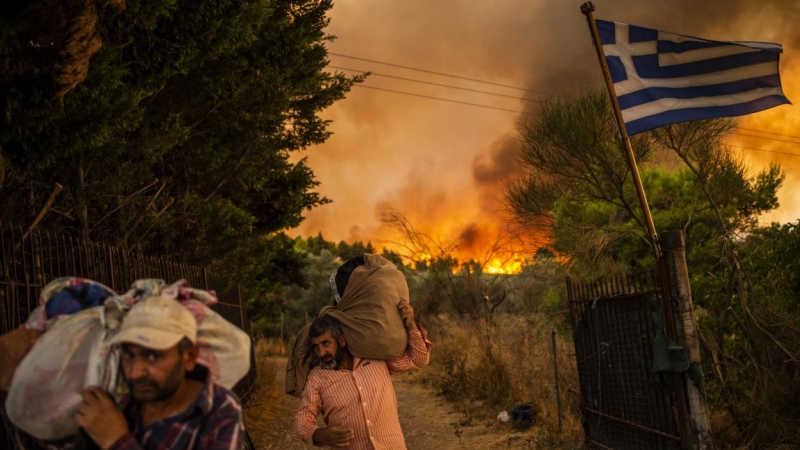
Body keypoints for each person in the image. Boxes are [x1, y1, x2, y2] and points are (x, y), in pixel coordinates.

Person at [0, 296, 246, 450]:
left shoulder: (219, 410)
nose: (137, 372)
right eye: (130, 355)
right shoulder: (115, 396)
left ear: (189, 356)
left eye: (153, 356)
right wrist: (9, 380)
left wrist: (116, 441)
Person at [294, 300, 431, 449]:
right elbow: (303, 417)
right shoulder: (317, 377)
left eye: (326, 343)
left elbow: (418, 360)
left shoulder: (375, 358)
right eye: (316, 347)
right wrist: (319, 434)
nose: (321, 353)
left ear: (341, 341)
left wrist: (411, 325)